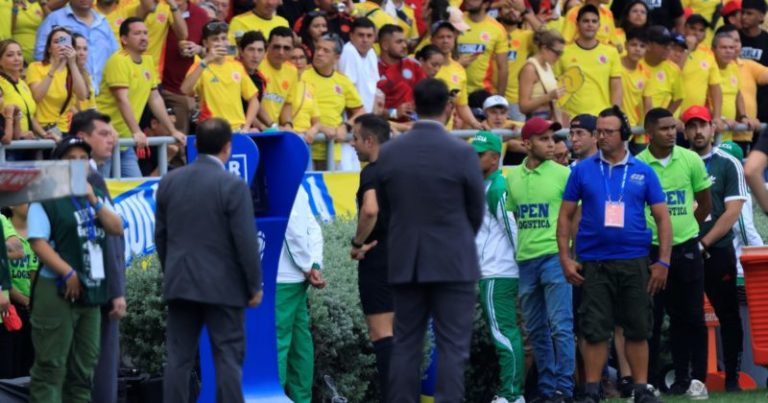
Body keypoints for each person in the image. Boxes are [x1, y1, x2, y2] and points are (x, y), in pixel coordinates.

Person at [376, 78, 484, 402]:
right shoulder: (462, 152)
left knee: (406, 343)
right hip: (453, 260)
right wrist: (458, 239)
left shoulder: (390, 152)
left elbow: (384, 208)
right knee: (453, 347)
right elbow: (475, 210)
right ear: (449, 108)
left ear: (413, 104)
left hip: (406, 259)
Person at [558, 106, 671, 403]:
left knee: (637, 326)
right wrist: (566, 257)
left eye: (608, 132)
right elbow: (565, 216)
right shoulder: (581, 170)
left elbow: (663, 218)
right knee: (593, 327)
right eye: (599, 132)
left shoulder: (642, 171)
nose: (602, 137)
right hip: (594, 262)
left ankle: (641, 387)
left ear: (623, 135)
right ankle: (592, 389)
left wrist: (663, 261)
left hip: (634, 260)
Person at [156, 117, 264, 403]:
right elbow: (245, 241)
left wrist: (172, 271)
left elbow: (161, 237)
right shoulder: (232, 185)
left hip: (180, 282)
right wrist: (254, 285)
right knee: (227, 356)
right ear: (227, 148)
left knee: (178, 358)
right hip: (224, 287)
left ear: (195, 144)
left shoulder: (169, 182)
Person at [27, 136, 124, 403]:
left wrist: (94, 200)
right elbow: (37, 241)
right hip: (56, 290)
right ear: (58, 165)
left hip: (91, 290)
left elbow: (116, 227)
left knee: (84, 370)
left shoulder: (96, 195)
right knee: (51, 368)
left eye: (83, 159)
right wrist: (67, 272)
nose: (78, 164)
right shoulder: (46, 195)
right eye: (71, 160)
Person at [636, 108, 712, 399]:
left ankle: (691, 380)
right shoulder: (638, 164)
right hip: (650, 251)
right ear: (649, 134)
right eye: (664, 128)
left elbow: (704, 203)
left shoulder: (690, 159)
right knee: (650, 320)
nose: (672, 132)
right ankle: (651, 382)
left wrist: (687, 230)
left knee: (690, 316)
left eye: (673, 127)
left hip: (687, 248)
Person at [506, 117, 575, 402]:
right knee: (536, 330)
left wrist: (571, 254)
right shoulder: (512, 178)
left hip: (555, 257)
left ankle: (564, 388)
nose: (552, 144)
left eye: (552, 138)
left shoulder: (563, 174)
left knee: (561, 326)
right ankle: (548, 390)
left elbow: (577, 215)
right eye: (544, 139)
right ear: (526, 143)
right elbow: (516, 217)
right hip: (526, 260)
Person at [683, 105, 748, 392]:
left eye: (703, 125)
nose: (698, 131)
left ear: (713, 129)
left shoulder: (727, 163)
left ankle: (732, 377)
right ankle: (693, 378)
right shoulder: (678, 163)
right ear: (685, 131)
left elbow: (733, 211)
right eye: (692, 126)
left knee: (728, 314)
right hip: (684, 250)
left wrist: (704, 243)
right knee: (688, 315)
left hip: (718, 250)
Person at [472, 131, 525, 403]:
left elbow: (512, 227)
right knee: (504, 333)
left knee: (503, 333)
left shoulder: (497, 188)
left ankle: (512, 395)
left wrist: (521, 262)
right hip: (495, 271)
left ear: (495, 158)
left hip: (498, 272)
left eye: (479, 155)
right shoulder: (486, 186)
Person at [96, 17, 185, 178]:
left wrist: (172, 130)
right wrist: (137, 131)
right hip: (105, 137)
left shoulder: (148, 61)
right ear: (124, 39)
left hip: (126, 139)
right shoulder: (118, 61)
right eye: (137, 33)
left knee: (137, 189)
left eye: (145, 33)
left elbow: (155, 98)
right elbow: (122, 99)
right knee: (103, 190)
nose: (144, 37)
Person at [349, 114, 394, 401]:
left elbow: (370, 210)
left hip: (380, 259)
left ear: (370, 140)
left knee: (382, 335)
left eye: (355, 138)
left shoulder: (372, 172)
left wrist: (357, 243)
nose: (351, 144)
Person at [276, 186, 325, 403]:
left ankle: (274, 398)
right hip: (295, 276)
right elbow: (312, 226)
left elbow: (292, 228)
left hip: (280, 277)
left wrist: (308, 266)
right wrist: (313, 263)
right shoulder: (299, 185)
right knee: (299, 344)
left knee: (278, 345)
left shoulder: (281, 181)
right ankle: (301, 399)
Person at [181, 20, 260, 132]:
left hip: (237, 130)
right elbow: (185, 90)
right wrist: (206, 60)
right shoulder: (199, 66)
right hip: (211, 130)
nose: (220, 43)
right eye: (215, 39)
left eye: (223, 38)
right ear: (205, 43)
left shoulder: (236, 65)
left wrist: (247, 126)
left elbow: (253, 99)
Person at [302, 33, 364, 170]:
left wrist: (345, 126)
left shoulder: (343, 81)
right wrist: (320, 127)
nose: (319, 53)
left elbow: (360, 111)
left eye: (326, 51)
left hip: (332, 151)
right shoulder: (302, 75)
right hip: (305, 147)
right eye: (317, 48)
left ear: (336, 58)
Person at [34, 0, 119, 92]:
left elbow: (115, 55)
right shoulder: (55, 19)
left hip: (104, 94)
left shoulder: (102, 21)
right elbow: (41, 54)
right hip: (69, 92)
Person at [557, 4, 623, 120]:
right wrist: (560, 114)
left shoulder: (611, 52)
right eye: (585, 21)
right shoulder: (563, 52)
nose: (590, 24)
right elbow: (555, 86)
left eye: (594, 21)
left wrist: (614, 116)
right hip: (572, 120)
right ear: (577, 24)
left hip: (601, 120)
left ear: (599, 25)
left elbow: (616, 88)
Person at [27, 27, 89, 137]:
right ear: (49, 48)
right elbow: (37, 96)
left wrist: (73, 64)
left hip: (64, 130)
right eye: (57, 42)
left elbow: (82, 95)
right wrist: (53, 68)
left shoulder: (72, 71)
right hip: (42, 130)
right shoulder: (36, 67)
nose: (62, 46)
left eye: (66, 42)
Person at [0, 204, 38, 378]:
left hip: (24, 309)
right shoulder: (4, 221)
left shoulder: (35, 232)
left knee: (25, 367)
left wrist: (33, 301)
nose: (30, 205)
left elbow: (32, 270)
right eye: (26, 201)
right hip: (12, 304)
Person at [161, 0, 209, 135]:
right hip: (155, 82)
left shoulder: (200, 14)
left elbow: (215, 51)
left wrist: (198, 49)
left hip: (182, 89)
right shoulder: (159, 9)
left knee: (179, 141)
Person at [680, 14, 724, 131]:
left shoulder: (707, 53)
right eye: (693, 28)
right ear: (685, 28)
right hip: (675, 118)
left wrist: (717, 116)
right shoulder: (674, 47)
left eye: (701, 30)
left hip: (697, 118)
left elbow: (715, 87)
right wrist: (687, 49)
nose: (696, 33)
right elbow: (675, 73)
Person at [0, 39, 49, 141]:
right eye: (10, 55)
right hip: (9, 145)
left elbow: (29, 115)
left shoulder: (23, 84)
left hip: (28, 141)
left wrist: (44, 135)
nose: (17, 58)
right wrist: (19, 133)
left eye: (19, 54)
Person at [458, 0, 509, 95]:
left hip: (483, 92)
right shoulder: (456, 21)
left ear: (486, 4)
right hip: (456, 89)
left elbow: (502, 67)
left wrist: (500, 97)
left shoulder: (497, 29)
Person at [377, 24, 426, 122]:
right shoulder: (373, 69)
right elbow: (369, 108)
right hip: (383, 129)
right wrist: (394, 113)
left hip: (412, 128)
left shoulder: (414, 66)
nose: (404, 45)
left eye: (405, 41)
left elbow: (425, 96)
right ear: (385, 45)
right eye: (399, 42)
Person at [518, 29, 565, 121]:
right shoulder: (530, 69)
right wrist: (549, 97)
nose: (559, 57)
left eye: (561, 53)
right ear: (544, 48)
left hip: (550, 118)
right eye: (557, 53)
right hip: (537, 119)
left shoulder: (547, 66)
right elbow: (523, 107)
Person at [712, 31, 751, 142]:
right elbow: (702, 100)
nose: (728, 51)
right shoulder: (708, 68)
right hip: (710, 134)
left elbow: (738, 95)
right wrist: (721, 119)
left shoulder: (734, 67)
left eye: (731, 47)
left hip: (728, 133)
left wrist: (743, 116)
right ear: (714, 49)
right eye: (724, 47)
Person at [256, 27, 297, 130]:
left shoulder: (292, 71)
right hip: (254, 128)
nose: (281, 52)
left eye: (286, 48)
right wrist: (269, 126)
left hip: (273, 129)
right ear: (268, 46)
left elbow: (287, 103)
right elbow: (250, 102)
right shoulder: (256, 63)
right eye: (276, 47)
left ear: (292, 50)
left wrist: (288, 124)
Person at [620, 28, 651, 152]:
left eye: (642, 46)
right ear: (626, 45)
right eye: (633, 44)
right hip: (615, 125)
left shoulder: (645, 73)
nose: (637, 49)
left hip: (635, 128)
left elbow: (648, 102)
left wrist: (650, 123)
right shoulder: (614, 64)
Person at [339, 18, 379, 114]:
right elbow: (348, 93)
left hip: (368, 114)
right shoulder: (348, 51)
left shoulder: (371, 52)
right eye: (361, 35)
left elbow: (374, 87)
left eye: (369, 36)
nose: (365, 40)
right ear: (351, 36)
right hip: (355, 117)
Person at [739, 0, 768, 126]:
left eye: (749, 14)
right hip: (738, 104)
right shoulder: (734, 38)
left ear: (761, 16)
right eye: (743, 13)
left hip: (763, 105)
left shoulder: (766, 40)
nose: (744, 17)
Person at [643, 26, 684, 114]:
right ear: (648, 45)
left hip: (655, 126)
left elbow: (679, 98)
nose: (668, 48)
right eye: (663, 45)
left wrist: (666, 116)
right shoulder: (636, 63)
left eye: (670, 45)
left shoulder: (673, 69)